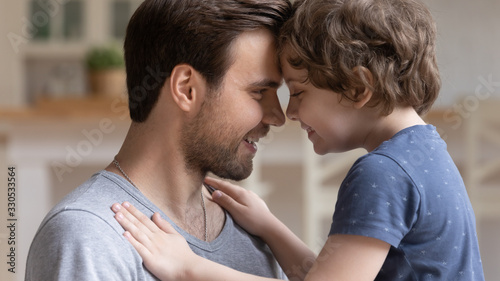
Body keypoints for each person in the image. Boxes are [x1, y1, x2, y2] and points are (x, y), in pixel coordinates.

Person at [111, 0, 486, 280]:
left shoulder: (383, 173)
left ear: (359, 88)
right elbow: (327, 274)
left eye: (299, 92)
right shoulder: (424, 151)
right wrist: (270, 227)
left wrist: (188, 268)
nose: (288, 114)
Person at [25, 0, 293, 280]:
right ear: (186, 89)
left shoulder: (254, 227)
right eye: (260, 91)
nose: (278, 117)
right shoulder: (88, 236)